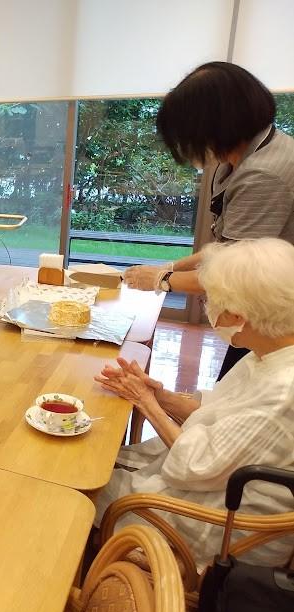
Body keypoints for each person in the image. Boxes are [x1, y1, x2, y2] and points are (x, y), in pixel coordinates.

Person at [95, 238, 294, 569]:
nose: (208, 308)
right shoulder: (270, 353)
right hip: (211, 485)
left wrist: (148, 404)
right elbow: (216, 414)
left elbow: (195, 465)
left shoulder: (282, 392)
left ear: (237, 315)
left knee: (76, 485)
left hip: (220, 526)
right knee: (94, 456)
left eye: (209, 301)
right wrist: (160, 395)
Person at [122, 62, 294, 378]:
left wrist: (160, 281)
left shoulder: (263, 174)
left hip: (277, 318)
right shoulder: (241, 157)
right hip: (264, 310)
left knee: (240, 401)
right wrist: (171, 267)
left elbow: (235, 272)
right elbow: (227, 247)